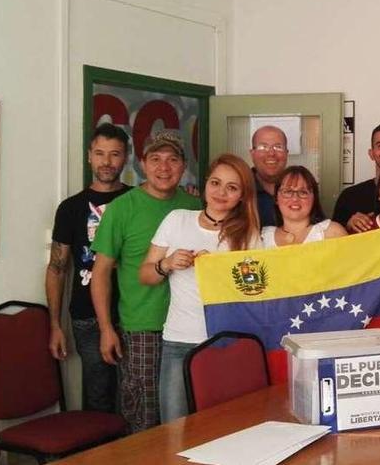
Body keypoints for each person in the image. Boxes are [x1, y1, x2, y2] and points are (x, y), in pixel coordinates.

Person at [91, 129, 201, 433]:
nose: (164, 168)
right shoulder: (121, 209)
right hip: (143, 327)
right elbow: (101, 272)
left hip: (192, 328)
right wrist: (105, 329)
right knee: (143, 417)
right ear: (142, 163)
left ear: (183, 165)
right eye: (155, 159)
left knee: (190, 416)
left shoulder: (196, 207)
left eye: (172, 160)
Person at [138, 153, 260, 423]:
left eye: (232, 187)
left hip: (227, 342)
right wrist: (167, 264)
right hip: (180, 340)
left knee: (224, 428)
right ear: (205, 185)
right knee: (174, 428)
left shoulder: (248, 234)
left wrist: (222, 268)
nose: (221, 192)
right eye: (215, 183)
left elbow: (255, 290)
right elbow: (145, 274)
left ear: (242, 195)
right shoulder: (177, 218)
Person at [46, 122, 131, 413]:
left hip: (135, 313)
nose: (106, 162)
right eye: (100, 153)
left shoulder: (137, 201)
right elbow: (57, 268)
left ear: (126, 157)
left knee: (137, 398)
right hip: (86, 317)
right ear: (89, 156)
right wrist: (55, 325)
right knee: (98, 398)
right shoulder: (70, 208)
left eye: (115, 154)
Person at [261, 166, 347, 248]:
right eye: (287, 192)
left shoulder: (332, 233)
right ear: (276, 198)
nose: (295, 198)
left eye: (303, 192)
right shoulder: (263, 238)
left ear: (314, 198)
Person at [249, 125, 289, 227]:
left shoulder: (301, 187)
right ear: (252, 154)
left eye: (278, 147)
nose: (271, 153)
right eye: (263, 147)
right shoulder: (239, 187)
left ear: (286, 153)